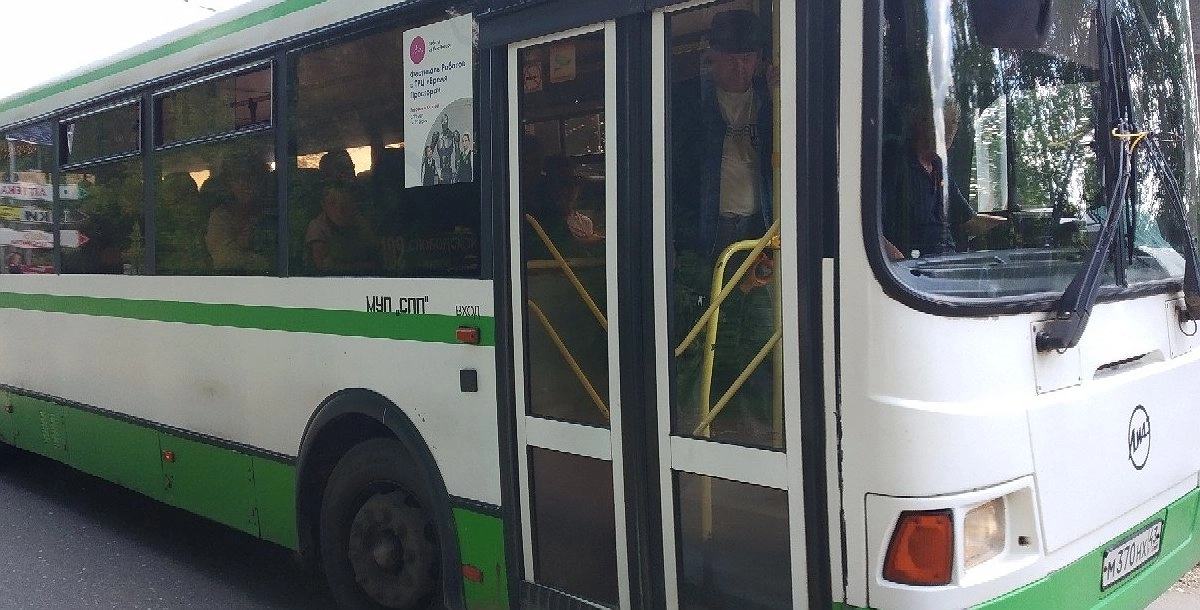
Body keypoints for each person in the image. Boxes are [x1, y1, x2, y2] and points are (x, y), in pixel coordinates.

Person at [673, 9, 775, 260]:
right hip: (706, 230)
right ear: (712, 58)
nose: (739, 67)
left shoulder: (771, 98)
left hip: (762, 224)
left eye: (747, 58)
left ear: (759, 59)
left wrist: (780, 99)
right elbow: (676, 170)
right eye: (730, 59)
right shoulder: (687, 101)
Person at [882, 99, 1005, 259]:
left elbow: (969, 222)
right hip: (909, 268)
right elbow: (865, 224)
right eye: (943, 120)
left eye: (954, 122)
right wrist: (896, 262)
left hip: (946, 264)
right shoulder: (893, 160)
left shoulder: (939, 168)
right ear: (921, 121)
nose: (951, 130)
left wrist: (1008, 224)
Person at [205, 152, 274, 274]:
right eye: (237, 178)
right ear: (228, 183)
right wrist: (261, 261)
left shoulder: (276, 211)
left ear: (261, 180)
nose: (244, 183)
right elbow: (224, 259)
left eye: (251, 176)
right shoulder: (221, 216)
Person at [305, 183, 380, 273]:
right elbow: (323, 266)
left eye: (345, 204)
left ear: (353, 205)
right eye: (332, 204)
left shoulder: (360, 222)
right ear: (323, 206)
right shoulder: (317, 226)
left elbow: (374, 256)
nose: (339, 210)